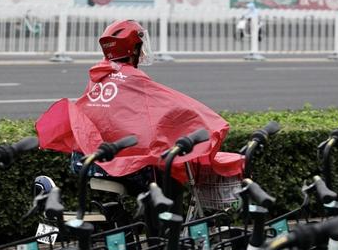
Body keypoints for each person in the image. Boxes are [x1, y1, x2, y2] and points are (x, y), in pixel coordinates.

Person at [35, 19, 242, 196]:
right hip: (116, 167)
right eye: (140, 46)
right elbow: (171, 106)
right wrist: (207, 122)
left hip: (85, 163)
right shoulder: (134, 79)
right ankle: (161, 237)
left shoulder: (98, 75)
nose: (142, 51)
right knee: (168, 181)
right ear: (132, 49)